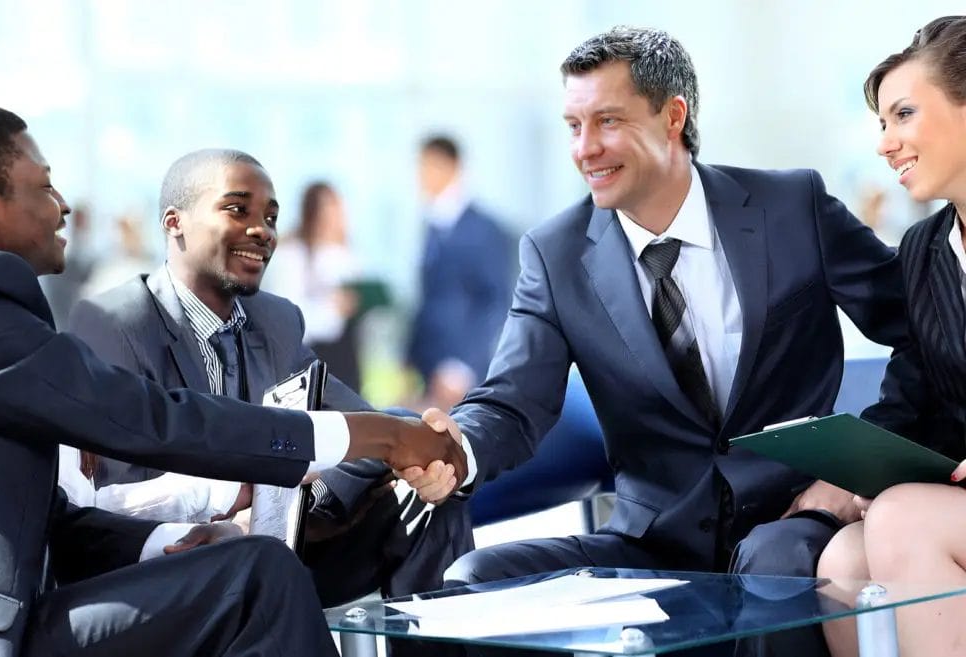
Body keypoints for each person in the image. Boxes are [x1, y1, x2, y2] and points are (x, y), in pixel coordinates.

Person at [401, 26, 908, 656]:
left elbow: (920, 330)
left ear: (673, 117)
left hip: (791, 520)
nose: (585, 149)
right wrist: (457, 448)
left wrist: (855, 471)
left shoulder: (789, 206)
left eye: (606, 121)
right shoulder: (555, 255)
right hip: (652, 543)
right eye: (572, 125)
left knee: (772, 567)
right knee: (475, 580)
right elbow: (513, 400)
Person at [0, 104, 467, 657]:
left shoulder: (274, 318)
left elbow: (58, 520)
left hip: (33, 605)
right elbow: (153, 420)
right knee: (259, 577)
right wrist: (380, 437)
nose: (64, 203)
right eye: (44, 186)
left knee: (258, 565)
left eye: (271, 214)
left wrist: (174, 540)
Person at [67, 150, 473, 607]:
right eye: (237, 209)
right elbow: (114, 505)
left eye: (272, 216)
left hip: (275, 548)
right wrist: (240, 514)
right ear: (173, 222)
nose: (262, 230)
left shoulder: (276, 320)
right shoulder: (114, 323)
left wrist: (289, 508)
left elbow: (364, 430)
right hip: (178, 568)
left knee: (424, 495)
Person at [816, 16, 966, 657]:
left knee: (904, 520)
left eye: (903, 114)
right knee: (844, 559)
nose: (885, 144)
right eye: (882, 122)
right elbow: (914, 393)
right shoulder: (924, 249)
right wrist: (854, 468)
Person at [406, 135, 512, 410]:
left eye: (429, 166)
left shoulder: (483, 229)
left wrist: (462, 366)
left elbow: (494, 301)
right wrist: (408, 359)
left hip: (459, 374)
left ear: (451, 167)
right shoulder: (432, 224)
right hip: (428, 367)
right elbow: (428, 299)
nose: (422, 176)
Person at [262, 181, 363, 391]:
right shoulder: (292, 255)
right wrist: (332, 308)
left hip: (346, 359)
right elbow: (289, 315)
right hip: (310, 359)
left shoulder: (346, 256)